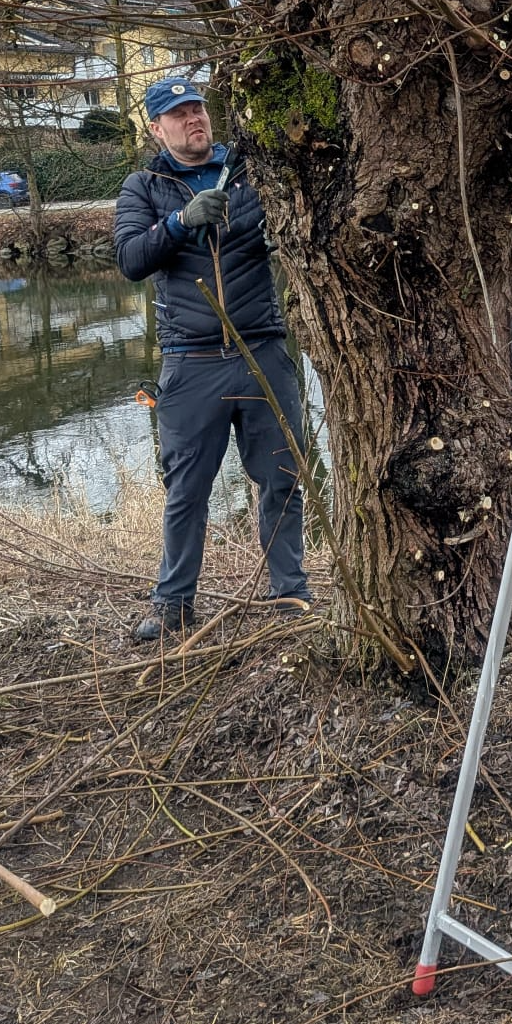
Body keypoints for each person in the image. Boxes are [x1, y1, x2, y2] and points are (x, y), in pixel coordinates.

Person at [114, 75, 311, 642]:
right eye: (178, 114)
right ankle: (173, 602)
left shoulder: (251, 171)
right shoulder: (144, 186)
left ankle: (290, 594)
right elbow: (130, 258)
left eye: (197, 108)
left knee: (281, 478)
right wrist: (181, 221)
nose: (193, 119)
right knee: (187, 490)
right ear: (157, 128)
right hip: (189, 360)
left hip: (262, 350)